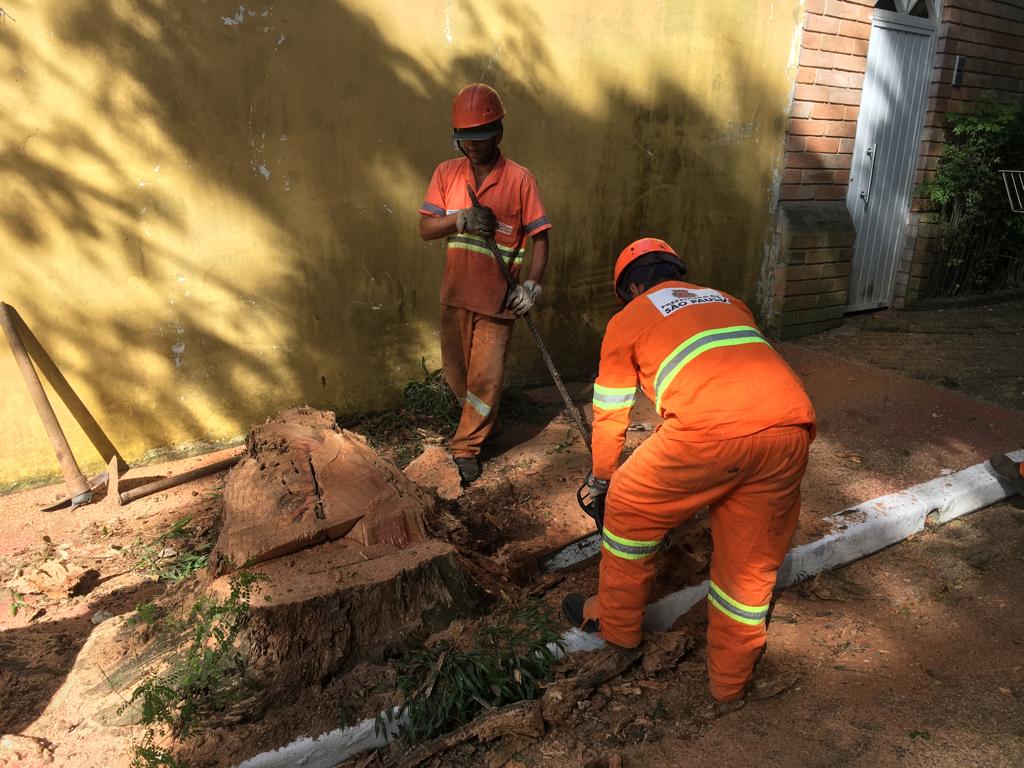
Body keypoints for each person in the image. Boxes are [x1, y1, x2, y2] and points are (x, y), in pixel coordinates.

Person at [562, 237, 817, 703]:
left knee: (628, 505)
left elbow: (612, 407)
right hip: (791, 427)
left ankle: (616, 630)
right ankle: (729, 684)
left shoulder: (629, 318)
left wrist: (602, 478)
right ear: (677, 273)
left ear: (633, 287)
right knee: (748, 571)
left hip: (711, 432)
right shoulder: (728, 299)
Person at [418, 83, 551, 484]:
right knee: (458, 376)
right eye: (464, 139)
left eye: (478, 138)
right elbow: (425, 229)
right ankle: (480, 422)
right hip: (455, 295)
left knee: (485, 378)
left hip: (498, 300)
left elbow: (540, 236)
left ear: (498, 133)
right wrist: (459, 218)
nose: (471, 147)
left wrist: (532, 285)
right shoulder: (446, 173)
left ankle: (466, 447)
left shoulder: (520, 180)